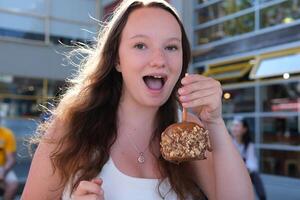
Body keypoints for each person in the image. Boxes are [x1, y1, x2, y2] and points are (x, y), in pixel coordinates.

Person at [21, 0, 254, 199]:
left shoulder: (189, 133)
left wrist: (215, 123)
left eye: (172, 47)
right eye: (140, 45)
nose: (159, 59)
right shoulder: (70, 128)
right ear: (117, 60)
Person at [231, 118, 267, 200]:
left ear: (244, 129)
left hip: (245, 173)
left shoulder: (249, 145)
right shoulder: (229, 143)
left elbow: (252, 164)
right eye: (233, 125)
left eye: (237, 126)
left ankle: (262, 197)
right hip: (231, 173)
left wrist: (246, 169)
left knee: (255, 175)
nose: (233, 128)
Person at [0, 116, 19, 200]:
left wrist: (3, 172)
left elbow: (11, 159)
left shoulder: (7, 134)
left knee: (13, 184)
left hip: (2, 167)